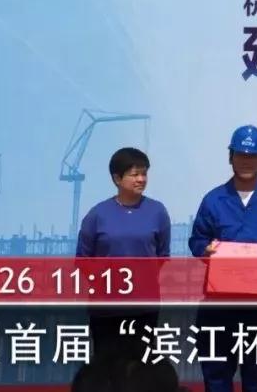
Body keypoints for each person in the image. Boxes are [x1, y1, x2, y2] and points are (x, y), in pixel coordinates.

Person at [188, 124, 257, 392]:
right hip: (219, 306)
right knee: (217, 379)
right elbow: (197, 239)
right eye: (241, 155)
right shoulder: (214, 199)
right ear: (230, 157)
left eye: (253, 156)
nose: (247, 161)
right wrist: (206, 249)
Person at [76, 147, 171, 361]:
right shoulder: (97, 215)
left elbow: (162, 255)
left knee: (142, 364)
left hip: (144, 306)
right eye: (135, 174)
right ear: (117, 178)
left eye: (144, 173)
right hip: (106, 307)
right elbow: (82, 260)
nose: (141, 179)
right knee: (107, 364)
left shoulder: (157, 212)